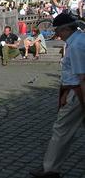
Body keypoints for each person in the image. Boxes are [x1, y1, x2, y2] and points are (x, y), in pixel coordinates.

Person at [29, 13, 85, 178]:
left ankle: (50, 169)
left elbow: (82, 77)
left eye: (59, 31)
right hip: (74, 91)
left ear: (67, 28)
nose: (57, 35)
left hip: (76, 94)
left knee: (61, 130)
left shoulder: (76, 46)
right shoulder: (79, 40)